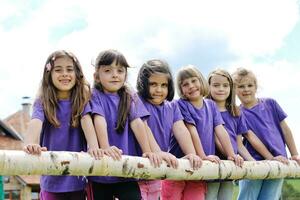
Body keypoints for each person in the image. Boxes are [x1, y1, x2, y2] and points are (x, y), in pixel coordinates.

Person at [23, 50, 103, 200]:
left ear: (77, 73)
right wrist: (30, 143)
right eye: (58, 70)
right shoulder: (43, 102)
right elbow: (36, 121)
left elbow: (86, 121)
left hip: (78, 177)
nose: (65, 74)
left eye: (69, 69)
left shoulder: (81, 100)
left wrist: (94, 146)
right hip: (51, 179)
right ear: (49, 74)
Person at [90, 49, 161, 200]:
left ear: (125, 75)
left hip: (126, 169)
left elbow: (138, 123)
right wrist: (105, 147)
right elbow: (98, 119)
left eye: (120, 70)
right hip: (101, 170)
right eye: (108, 70)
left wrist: (147, 150)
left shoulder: (129, 96)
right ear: (97, 76)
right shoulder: (95, 95)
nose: (115, 74)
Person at [170, 65, 244, 200]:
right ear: (181, 89)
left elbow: (220, 130)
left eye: (193, 81)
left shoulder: (211, 105)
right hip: (182, 161)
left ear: (201, 81)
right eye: (185, 84)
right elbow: (191, 131)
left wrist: (231, 154)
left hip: (200, 166)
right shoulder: (181, 104)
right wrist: (202, 156)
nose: (191, 86)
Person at [207, 69, 281, 200]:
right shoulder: (207, 109)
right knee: (210, 196)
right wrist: (231, 155)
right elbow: (216, 138)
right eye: (216, 85)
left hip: (231, 166)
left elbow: (239, 145)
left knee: (226, 196)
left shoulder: (235, 112)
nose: (221, 89)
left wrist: (253, 163)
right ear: (208, 87)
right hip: (214, 164)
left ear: (231, 89)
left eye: (225, 85)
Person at [136, 59, 202, 200]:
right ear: (143, 84)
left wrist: (191, 153)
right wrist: (158, 152)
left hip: (157, 169)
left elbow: (181, 130)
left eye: (164, 85)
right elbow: (144, 126)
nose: (159, 90)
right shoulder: (138, 100)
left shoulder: (171, 106)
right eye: (153, 84)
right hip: (137, 167)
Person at [232, 67, 300, 200]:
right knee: (248, 197)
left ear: (256, 87)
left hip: (280, 160)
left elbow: (285, 130)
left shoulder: (270, 103)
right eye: (241, 86)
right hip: (254, 163)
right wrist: (270, 158)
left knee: (270, 197)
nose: (246, 89)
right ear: (234, 90)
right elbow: (252, 138)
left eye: (250, 85)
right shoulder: (238, 113)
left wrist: (295, 153)